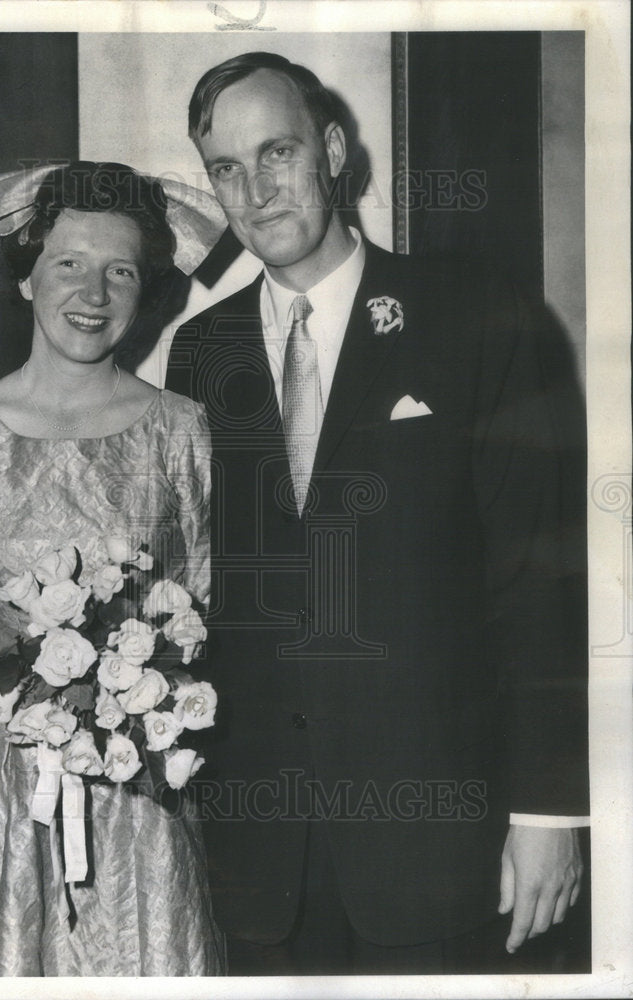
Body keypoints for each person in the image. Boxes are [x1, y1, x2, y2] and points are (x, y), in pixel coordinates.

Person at [165, 52, 589, 974]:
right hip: (260, 855)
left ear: (330, 150)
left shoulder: (473, 315)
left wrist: (548, 809)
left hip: (443, 841)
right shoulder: (199, 353)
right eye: (226, 169)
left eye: (275, 152)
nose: (256, 190)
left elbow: (540, 579)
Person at [0, 161, 225, 976]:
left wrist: (123, 689)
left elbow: (208, 606)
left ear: (147, 292)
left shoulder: (183, 433)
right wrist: (25, 687)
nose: (93, 292)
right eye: (69, 263)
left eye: (121, 271)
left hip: (135, 783)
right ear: (28, 277)